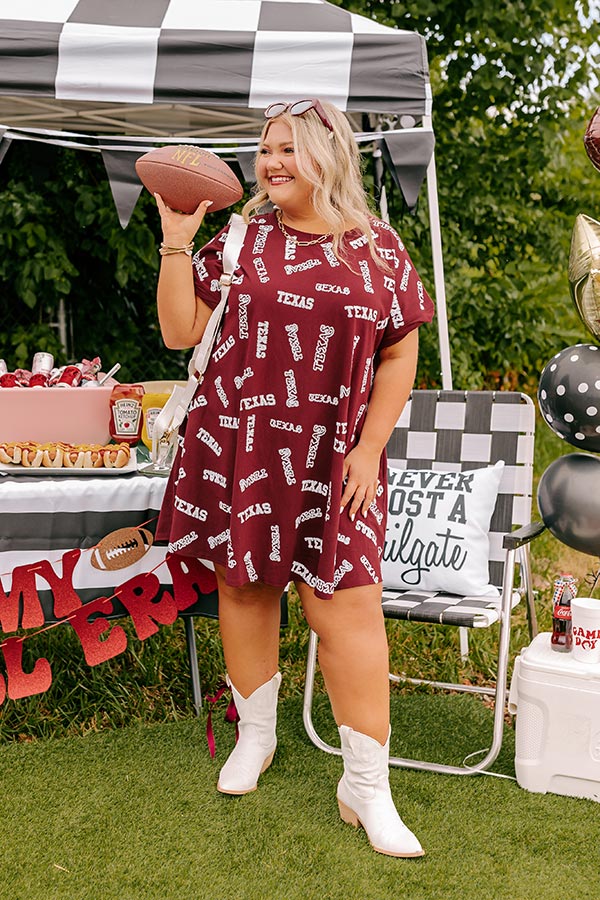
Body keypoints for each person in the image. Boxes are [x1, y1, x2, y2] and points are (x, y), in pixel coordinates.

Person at [154, 98, 434, 858]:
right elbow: (181, 331)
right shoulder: (240, 238)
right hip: (238, 443)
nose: (270, 162)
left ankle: (367, 789)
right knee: (244, 588)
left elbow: (400, 352)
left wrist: (371, 446)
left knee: (347, 610)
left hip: (337, 459)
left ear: (327, 154)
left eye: (287, 149)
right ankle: (258, 737)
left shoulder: (377, 249)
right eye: (265, 149)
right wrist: (177, 244)